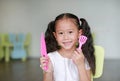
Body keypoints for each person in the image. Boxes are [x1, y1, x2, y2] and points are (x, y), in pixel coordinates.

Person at [40, 13, 95, 81]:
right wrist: (48, 72)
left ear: (79, 33)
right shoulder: (50, 58)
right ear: (55, 35)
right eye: (61, 33)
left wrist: (80, 65)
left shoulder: (82, 57)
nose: (66, 37)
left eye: (70, 32)